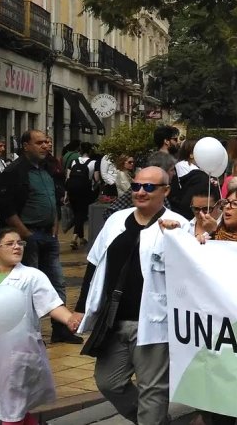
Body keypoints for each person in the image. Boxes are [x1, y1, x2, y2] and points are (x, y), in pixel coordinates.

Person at [73, 165, 187, 425]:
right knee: (109, 382)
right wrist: (81, 307)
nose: (140, 192)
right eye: (136, 186)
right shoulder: (115, 220)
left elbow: (190, 274)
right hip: (112, 320)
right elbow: (94, 263)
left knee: (153, 389)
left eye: (149, 187)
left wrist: (178, 237)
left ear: (165, 190)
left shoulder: (179, 225)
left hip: (155, 323)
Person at [0, 228, 82, 425]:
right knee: (13, 407)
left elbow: (52, 304)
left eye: (20, 243)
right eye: (10, 244)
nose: (17, 247)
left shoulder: (32, 276)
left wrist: (70, 319)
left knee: (12, 410)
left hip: (18, 353)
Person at [0, 130, 77, 344]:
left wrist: (55, 225)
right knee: (27, 285)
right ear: (25, 146)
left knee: (57, 282)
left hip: (48, 235)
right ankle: (29, 332)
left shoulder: (49, 168)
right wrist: (25, 233)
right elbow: (5, 206)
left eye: (47, 142)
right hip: (26, 237)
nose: (46, 146)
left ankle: (61, 329)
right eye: (39, 142)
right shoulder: (15, 171)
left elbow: (55, 198)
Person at [64, 142, 100, 250]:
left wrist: (66, 193)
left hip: (72, 189)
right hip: (85, 190)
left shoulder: (73, 161)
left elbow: (68, 178)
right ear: (90, 151)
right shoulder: (94, 162)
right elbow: (96, 179)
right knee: (81, 213)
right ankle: (74, 239)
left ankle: (81, 238)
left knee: (77, 212)